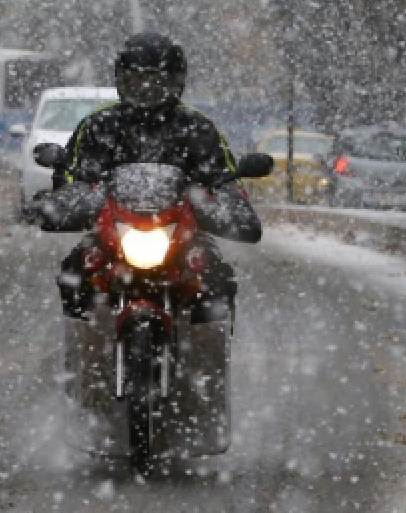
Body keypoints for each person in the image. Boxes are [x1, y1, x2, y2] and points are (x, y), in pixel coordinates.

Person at [47, 32, 262, 318]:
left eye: (157, 81)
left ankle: (208, 354)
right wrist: (59, 202)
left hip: (180, 235)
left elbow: (222, 178)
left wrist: (232, 205)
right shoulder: (98, 126)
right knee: (76, 272)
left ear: (177, 82)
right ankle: (81, 350)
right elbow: (73, 176)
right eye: (137, 80)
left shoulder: (198, 128)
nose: (147, 89)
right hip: (114, 232)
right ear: (121, 80)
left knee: (215, 277)